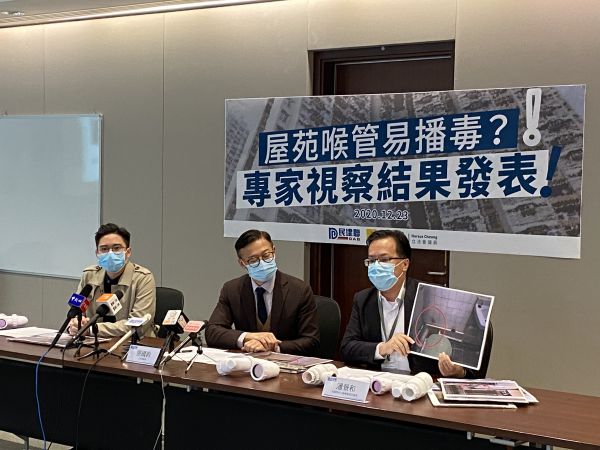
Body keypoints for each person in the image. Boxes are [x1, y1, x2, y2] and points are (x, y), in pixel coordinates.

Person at [340, 229, 490, 378]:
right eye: (372, 261)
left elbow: (472, 369)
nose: (376, 266)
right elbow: (347, 348)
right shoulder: (363, 300)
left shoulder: (426, 296)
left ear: (405, 264)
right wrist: (383, 348)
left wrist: (457, 371)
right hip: (379, 382)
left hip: (420, 382)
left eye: (384, 260)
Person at [205, 229, 319, 355]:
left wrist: (274, 347)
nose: (262, 263)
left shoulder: (299, 290)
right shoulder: (232, 289)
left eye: (266, 255)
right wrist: (248, 337)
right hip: (247, 361)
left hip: (286, 363)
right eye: (253, 260)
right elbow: (212, 332)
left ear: (274, 251)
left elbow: (311, 341)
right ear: (242, 263)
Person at [68, 223, 156, 338]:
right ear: (97, 253)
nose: (110, 253)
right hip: (92, 341)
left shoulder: (143, 278)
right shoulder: (89, 275)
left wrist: (91, 329)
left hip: (133, 343)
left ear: (128, 252)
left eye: (116, 248)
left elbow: (137, 325)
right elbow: (76, 311)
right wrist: (75, 324)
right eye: (104, 249)